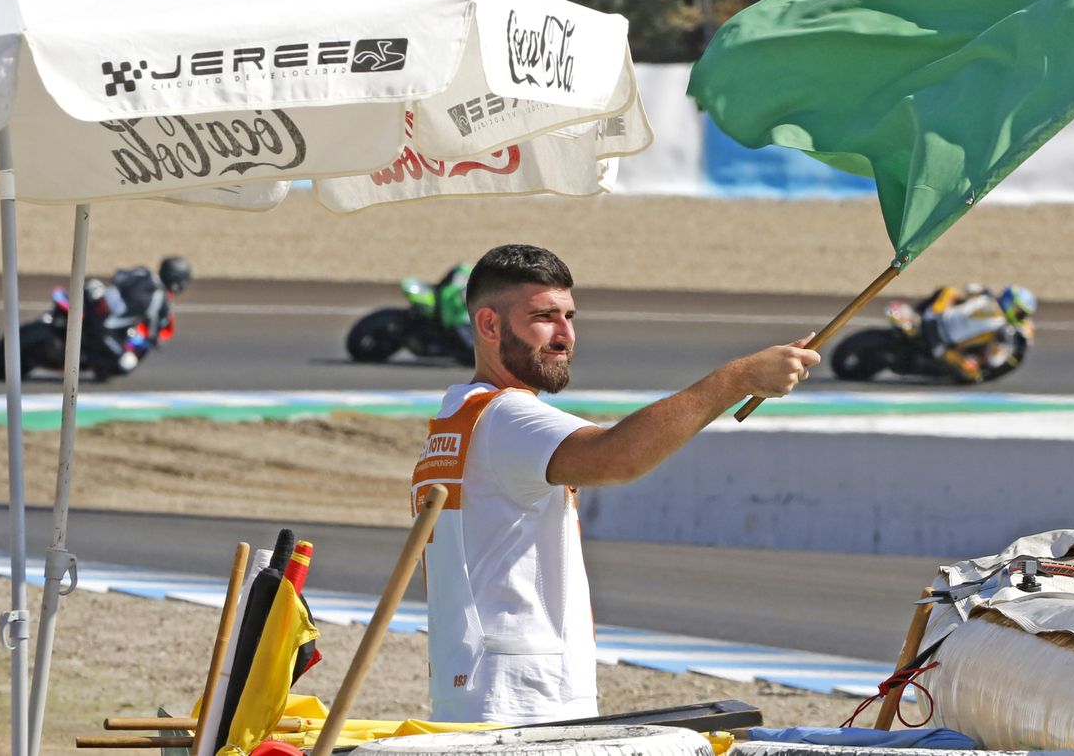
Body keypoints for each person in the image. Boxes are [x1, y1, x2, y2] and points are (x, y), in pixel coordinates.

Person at [410, 244, 819, 725]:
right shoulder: (507, 416)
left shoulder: (457, 418)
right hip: (525, 699)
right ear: (489, 325)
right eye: (544, 317)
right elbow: (617, 457)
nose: (565, 335)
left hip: (479, 690)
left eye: (569, 316)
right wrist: (735, 380)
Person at [85, 256, 192, 375]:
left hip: (94, 299)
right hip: (103, 328)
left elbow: (118, 275)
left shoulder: (143, 272)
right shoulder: (160, 299)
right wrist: (156, 340)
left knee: (93, 284)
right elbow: (153, 332)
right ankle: (92, 364)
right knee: (127, 361)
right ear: (176, 280)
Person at [914, 282, 1036, 382]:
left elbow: (969, 288)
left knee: (949, 290)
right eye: (1020, 312)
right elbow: (994, 360)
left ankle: (917, 312)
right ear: (1011, 303)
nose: (1021, 316)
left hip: (933, 317)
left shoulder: (986, 297)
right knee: (975, 374)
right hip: (941, 345)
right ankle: (926, 369)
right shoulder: (1003, 326)